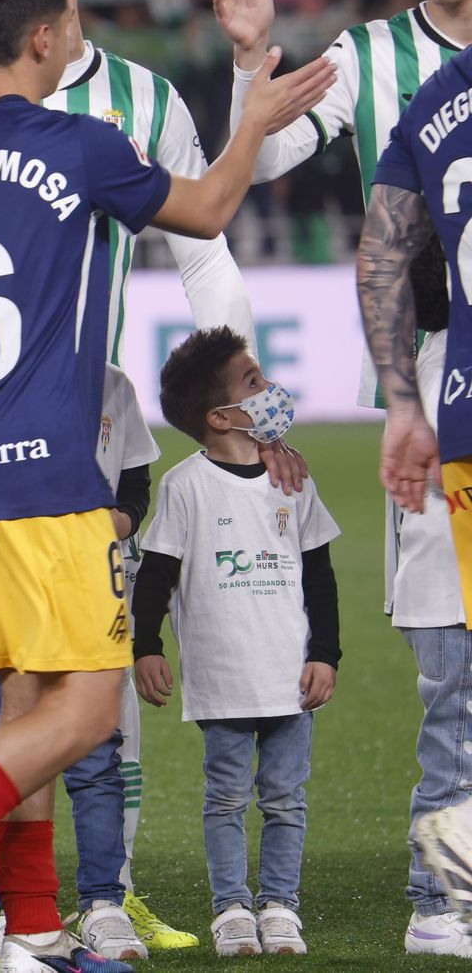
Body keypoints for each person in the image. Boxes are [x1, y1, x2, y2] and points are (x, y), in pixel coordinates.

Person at [0, 0, 330, 973]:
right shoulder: (74, 142)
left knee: (24, 705)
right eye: (69, 19)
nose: (75, 35)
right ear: (39, 37)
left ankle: (27, 932)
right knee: (86, 706)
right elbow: (203, 214)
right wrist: (249, 122)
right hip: (47, 476)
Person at [133, 327, 340, 956]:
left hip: (289, 678)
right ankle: (230, 909)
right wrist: (146, 646)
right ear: (221, 416)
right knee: (224, 798)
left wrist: (324, 654)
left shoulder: (292, 479)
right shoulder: (184, 486)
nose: (270, 389)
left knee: (285, 800)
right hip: (223, 680)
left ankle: (279, 907)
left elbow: (320, 577)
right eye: (254, 382)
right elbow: (156, 577)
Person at [0, 362, 162, 963]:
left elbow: (136, 484)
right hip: (12, 583)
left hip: (91, 587)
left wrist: (113, 522)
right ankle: (18, 910)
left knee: (95, 749)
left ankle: (103, 903)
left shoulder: (111, 385)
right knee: (16, 743)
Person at [355, 0, 472, 932]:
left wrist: (402, 401)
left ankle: (442, 899)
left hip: (452, 403)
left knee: (455, 684)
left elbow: (383, 253)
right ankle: (442, 896)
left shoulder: (432, 103)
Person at [380, 249, 472, 956]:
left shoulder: (430, 365)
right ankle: (434, 907)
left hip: (442, 583)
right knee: (453, 752)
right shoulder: (447, 367)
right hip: (451, 587)